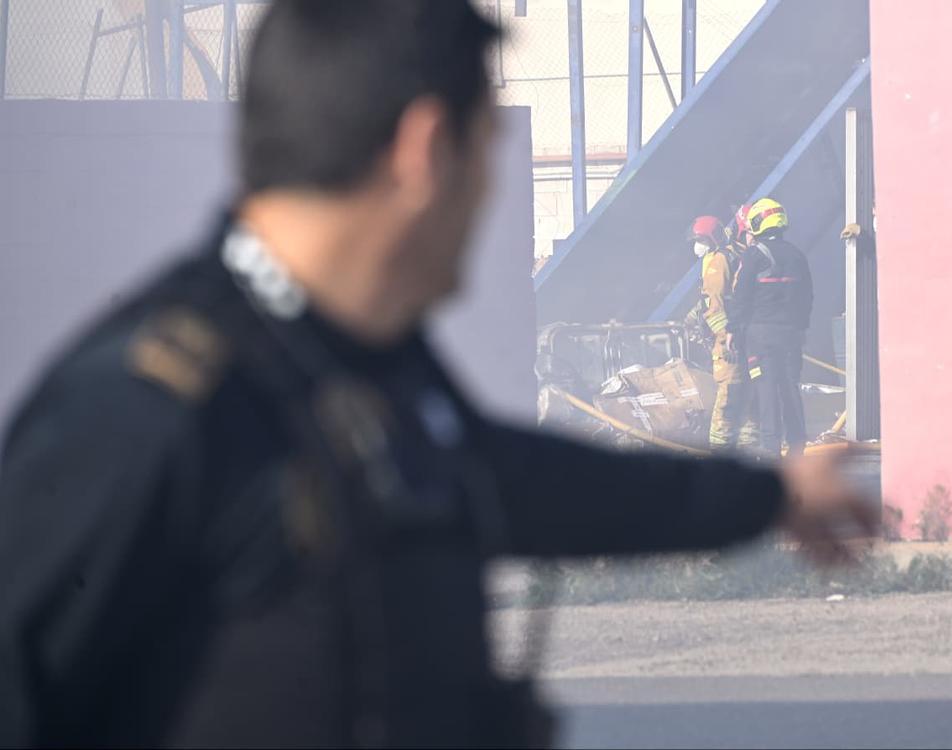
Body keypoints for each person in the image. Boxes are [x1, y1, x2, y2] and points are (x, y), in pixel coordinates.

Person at [0, 3, 874, 747]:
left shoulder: (354, 363)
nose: (490, 190)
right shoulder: (143, 411)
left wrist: (768, 497)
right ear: (426, 150)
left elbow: (519, 481)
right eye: (489, 146)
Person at [728, 198, 814, 459]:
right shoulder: (797, 255)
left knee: (766, 389)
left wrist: (733, 328)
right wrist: (800, 328)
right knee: (790, 386)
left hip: (760, 335)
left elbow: (741, 295)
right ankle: (798, 446)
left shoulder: (753, 255)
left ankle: (771, 449)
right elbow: (807, 296)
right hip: (790, 334)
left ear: (758, 223)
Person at [684, 215, 758, 451]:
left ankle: (720, 446)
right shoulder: (737, 252)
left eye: (700, 240)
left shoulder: (717, 260)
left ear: (711, 239)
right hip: (745, 333)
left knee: (728, 391)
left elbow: (713, 304)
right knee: (746, 390)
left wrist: (724, 338)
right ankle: (748, 442)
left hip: (729, 338)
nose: (697, 246)